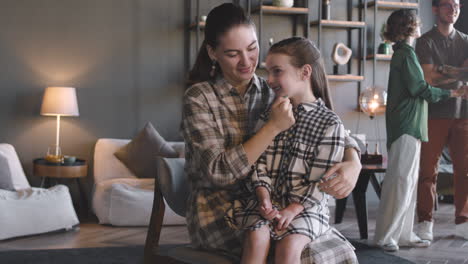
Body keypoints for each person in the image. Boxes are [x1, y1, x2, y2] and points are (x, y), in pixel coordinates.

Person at [181, 3, 362, 261]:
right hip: (220, 211)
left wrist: (353, 161)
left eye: (252, 49)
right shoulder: (199, 98)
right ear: (212, 52)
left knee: (332, 250)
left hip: (279, 204)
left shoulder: (273, 90)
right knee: (302, 254)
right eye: (233, 54)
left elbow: (327, 126)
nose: (246, 62)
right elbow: (219, 173)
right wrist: (273, 127)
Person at [230, 37, 355, 263]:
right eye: (268, 72)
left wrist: (292, 210)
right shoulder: (269, 116)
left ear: (305, 72)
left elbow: (321, 182)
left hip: (307, 208)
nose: (269, 80)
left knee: (289, 247)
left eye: (277, 71)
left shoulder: (329, 123)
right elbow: (259, 164)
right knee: (256, 236)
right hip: (268, 202)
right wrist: (264, 197)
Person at [373, 9, 465, 252]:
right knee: (400, 182)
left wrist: (443, 81)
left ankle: (403, 234)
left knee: (408, 182)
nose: (419, 27)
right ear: (410, 28)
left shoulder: (405, 53)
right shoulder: (406, 54)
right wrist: (452, 92)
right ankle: (386, 236)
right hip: (406, 125)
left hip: (411, 125)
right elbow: (420, 88)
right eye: (416, 24)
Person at [415, 0, 468, 242]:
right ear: (435, 9)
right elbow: (429, 78)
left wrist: (442, 70)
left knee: (465, 172)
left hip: (464, 114)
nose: (453, 9)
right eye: (447, 5)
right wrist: (458, 73)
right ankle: (425, 221)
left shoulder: (466, 41)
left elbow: (440, 74)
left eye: (456, 5)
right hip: (433, 113)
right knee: (427, 172)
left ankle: (464, 221)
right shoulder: (424, 41)